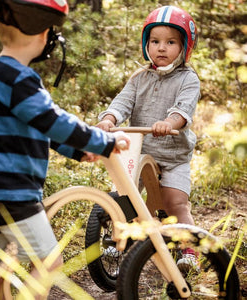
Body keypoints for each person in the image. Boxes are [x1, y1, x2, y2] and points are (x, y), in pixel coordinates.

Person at [0, 0, 130, 299]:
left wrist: (78, 151)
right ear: (42, 34)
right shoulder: (20, 79)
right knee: (50, 262)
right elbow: (54, 121)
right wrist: (103, 142)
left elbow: (35, 126)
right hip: (13, 193)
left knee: (0, 266)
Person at [96, 5, 200, 272]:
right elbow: (123, 102)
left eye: (170, 42)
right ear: (146, 44)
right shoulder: (139, 78)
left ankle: (188, 248)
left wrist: (169, 123)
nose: (161, 48)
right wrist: (109, 119)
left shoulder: (188, 79)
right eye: (155, 41)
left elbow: (183, 109)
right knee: (125, 194)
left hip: (173, 155)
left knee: (175, 202)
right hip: (141, 150)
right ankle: (116, 237)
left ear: (184, 47)